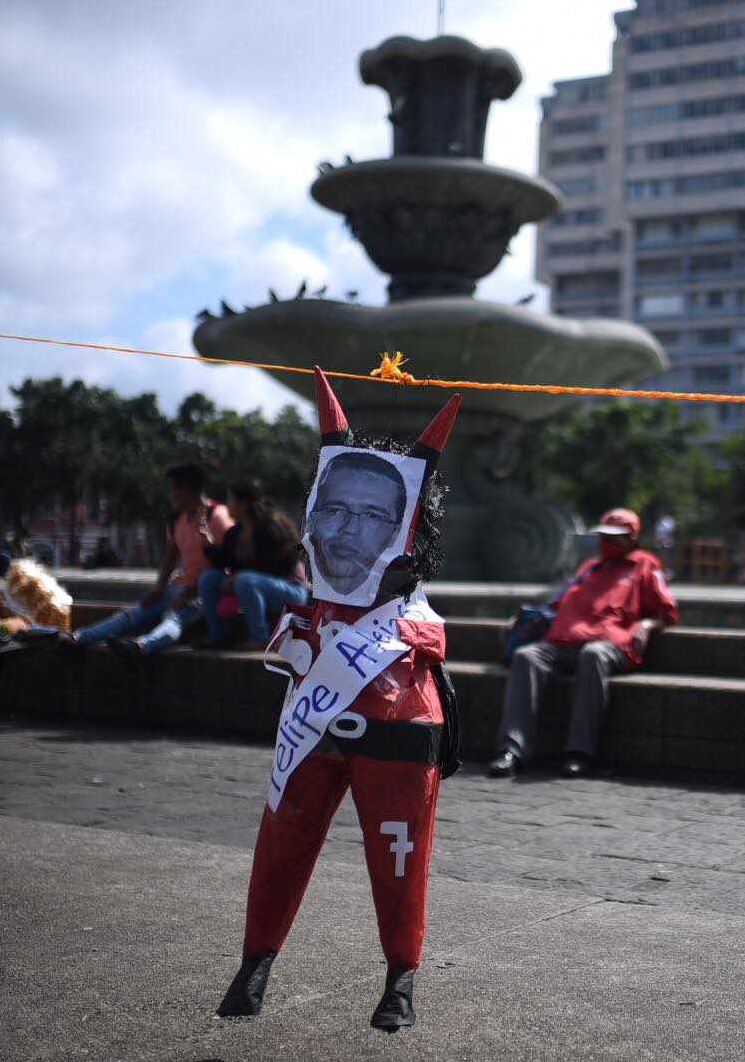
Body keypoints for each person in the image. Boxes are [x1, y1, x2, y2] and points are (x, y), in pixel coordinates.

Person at [216, 370, 462, 1034]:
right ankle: (255, 961)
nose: (345, 529)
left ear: (407, 528)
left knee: (401, 855)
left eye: (373, 515)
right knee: (280, 842)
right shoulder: (311, 608)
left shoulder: (414, 620)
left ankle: (400, 978)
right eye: (334, 508)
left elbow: (426, 632)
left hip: (400, 723)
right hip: (315, 715)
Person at [487, 507, 679, 779]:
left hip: (610, 645)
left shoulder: (646, 564)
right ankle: (511, 751)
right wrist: (519, 620)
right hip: (564, 642)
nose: (608, 543)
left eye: (616, 538)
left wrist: (646, 625)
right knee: (526, 656)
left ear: (632, 538)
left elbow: (667, 611)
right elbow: (555, 603)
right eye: (604, 536)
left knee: (593, 655)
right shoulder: (589, 567)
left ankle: (579, 753)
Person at [64, 462, 232, 656]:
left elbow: (222, 563)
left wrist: (186, 595)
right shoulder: (178, 519)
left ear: (184, 491)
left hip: (204, 593)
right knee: (132, 612)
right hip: (178, 587)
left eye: (172, 491)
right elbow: (170, 557)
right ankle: (79, 638)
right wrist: (158, 588)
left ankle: (142, 646)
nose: (170, 497)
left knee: (173, 619)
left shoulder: (218, 516)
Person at [198, 479, 309, 650]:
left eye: (231, 500)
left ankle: (260, 637)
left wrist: (238, 576)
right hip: (253, 584)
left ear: (243, 503)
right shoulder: (234, 533)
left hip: (290, 590)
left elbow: (280, 565)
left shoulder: (272, 526)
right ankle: (217, 634)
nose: (228, 505)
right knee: (208, 578)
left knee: (244, 579)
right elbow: (224, 562)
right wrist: (208, 545)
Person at [304, 451, 410, 602]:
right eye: (335, 510)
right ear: (312, 517)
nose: (350, 529)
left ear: (395, 533)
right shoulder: (290, 619)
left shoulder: (411, 625)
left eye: (374, 516)